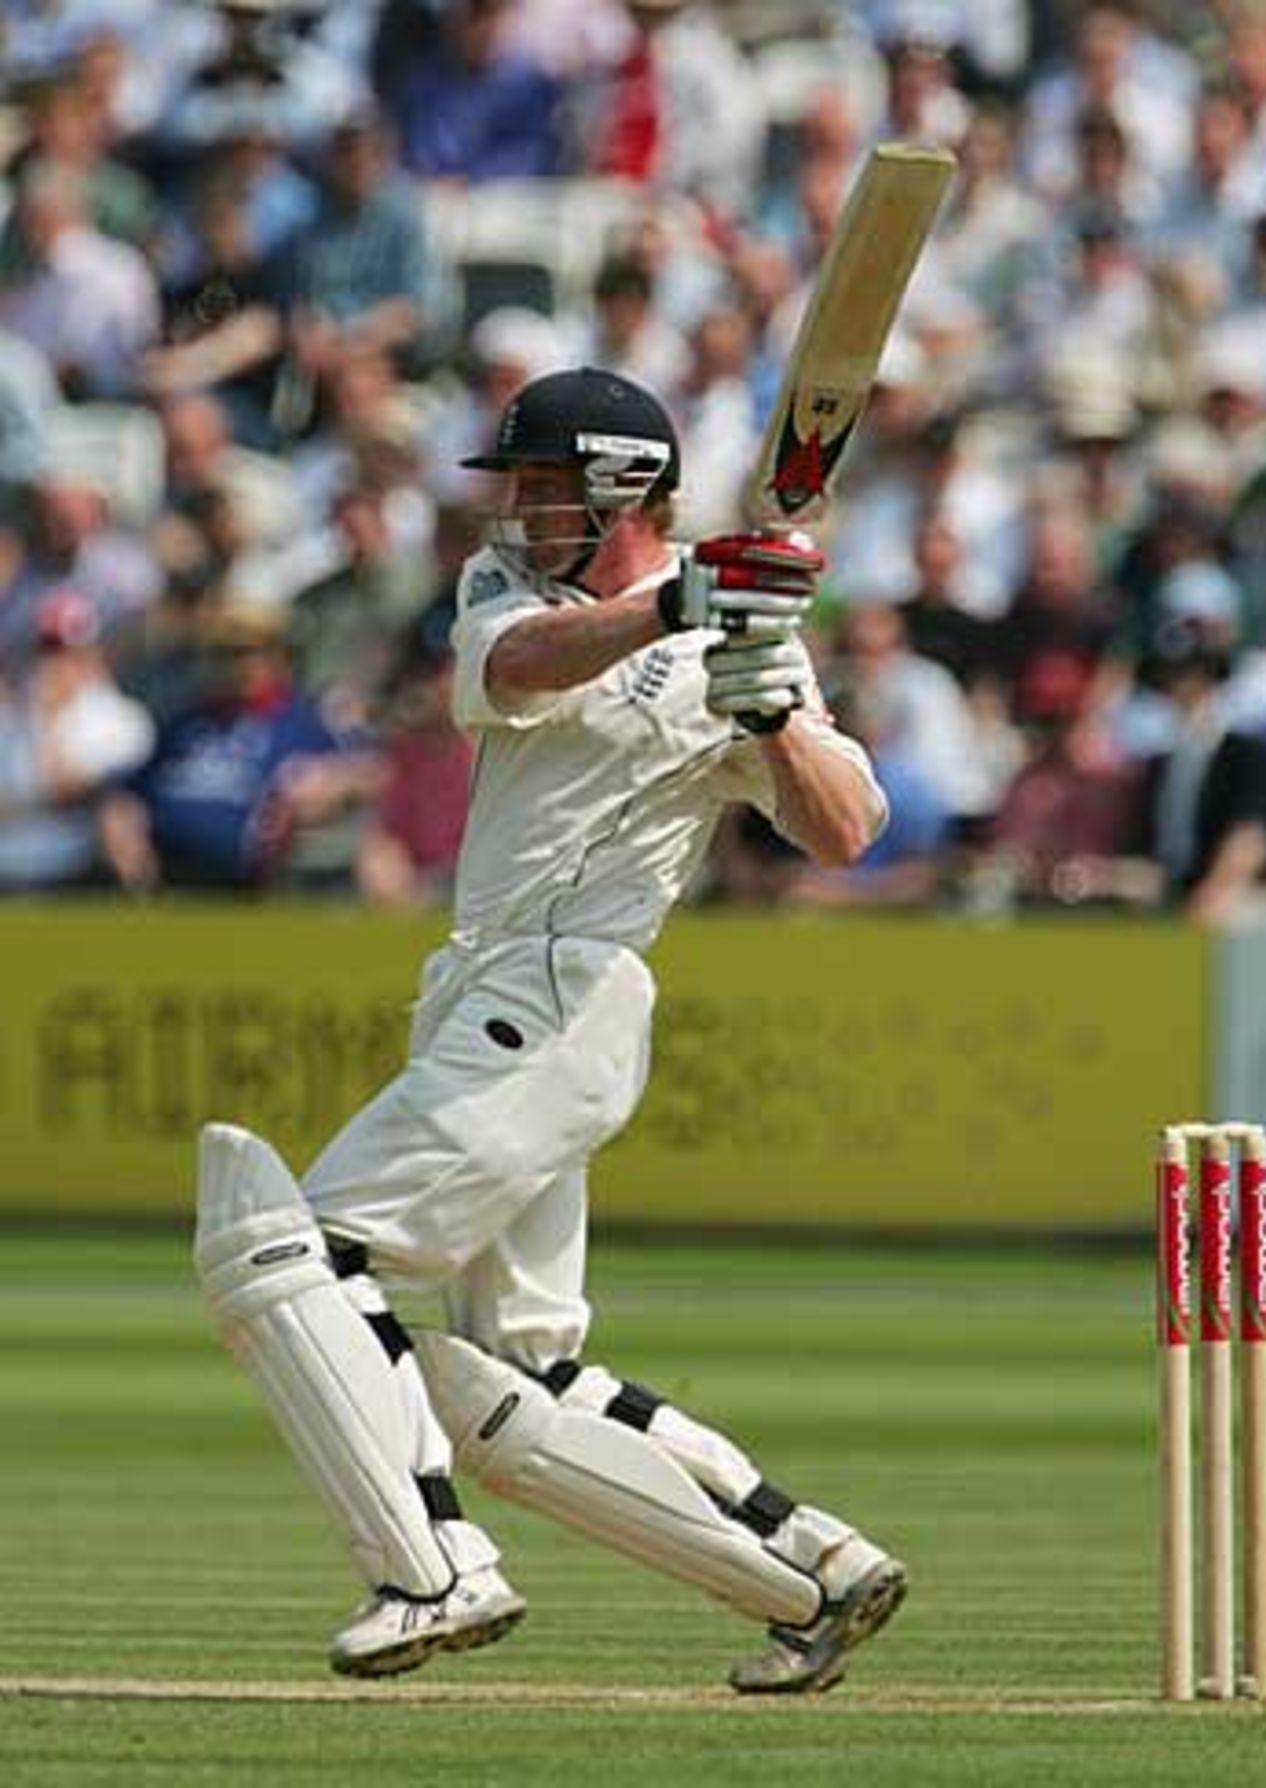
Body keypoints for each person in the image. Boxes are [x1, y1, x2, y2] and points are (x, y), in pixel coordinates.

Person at [193, 366, 906, 1695]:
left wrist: (769, 713)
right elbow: (516, 674)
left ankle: (432, 1572)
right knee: (520, 1380)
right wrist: (683, 607)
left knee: (289, 1250)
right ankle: (812, 1568)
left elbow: (847, 829)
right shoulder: (522, 600)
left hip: (567, 990)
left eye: (537, 487)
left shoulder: (742, 643)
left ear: (618, 491)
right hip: (490, 991)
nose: (512, 511)